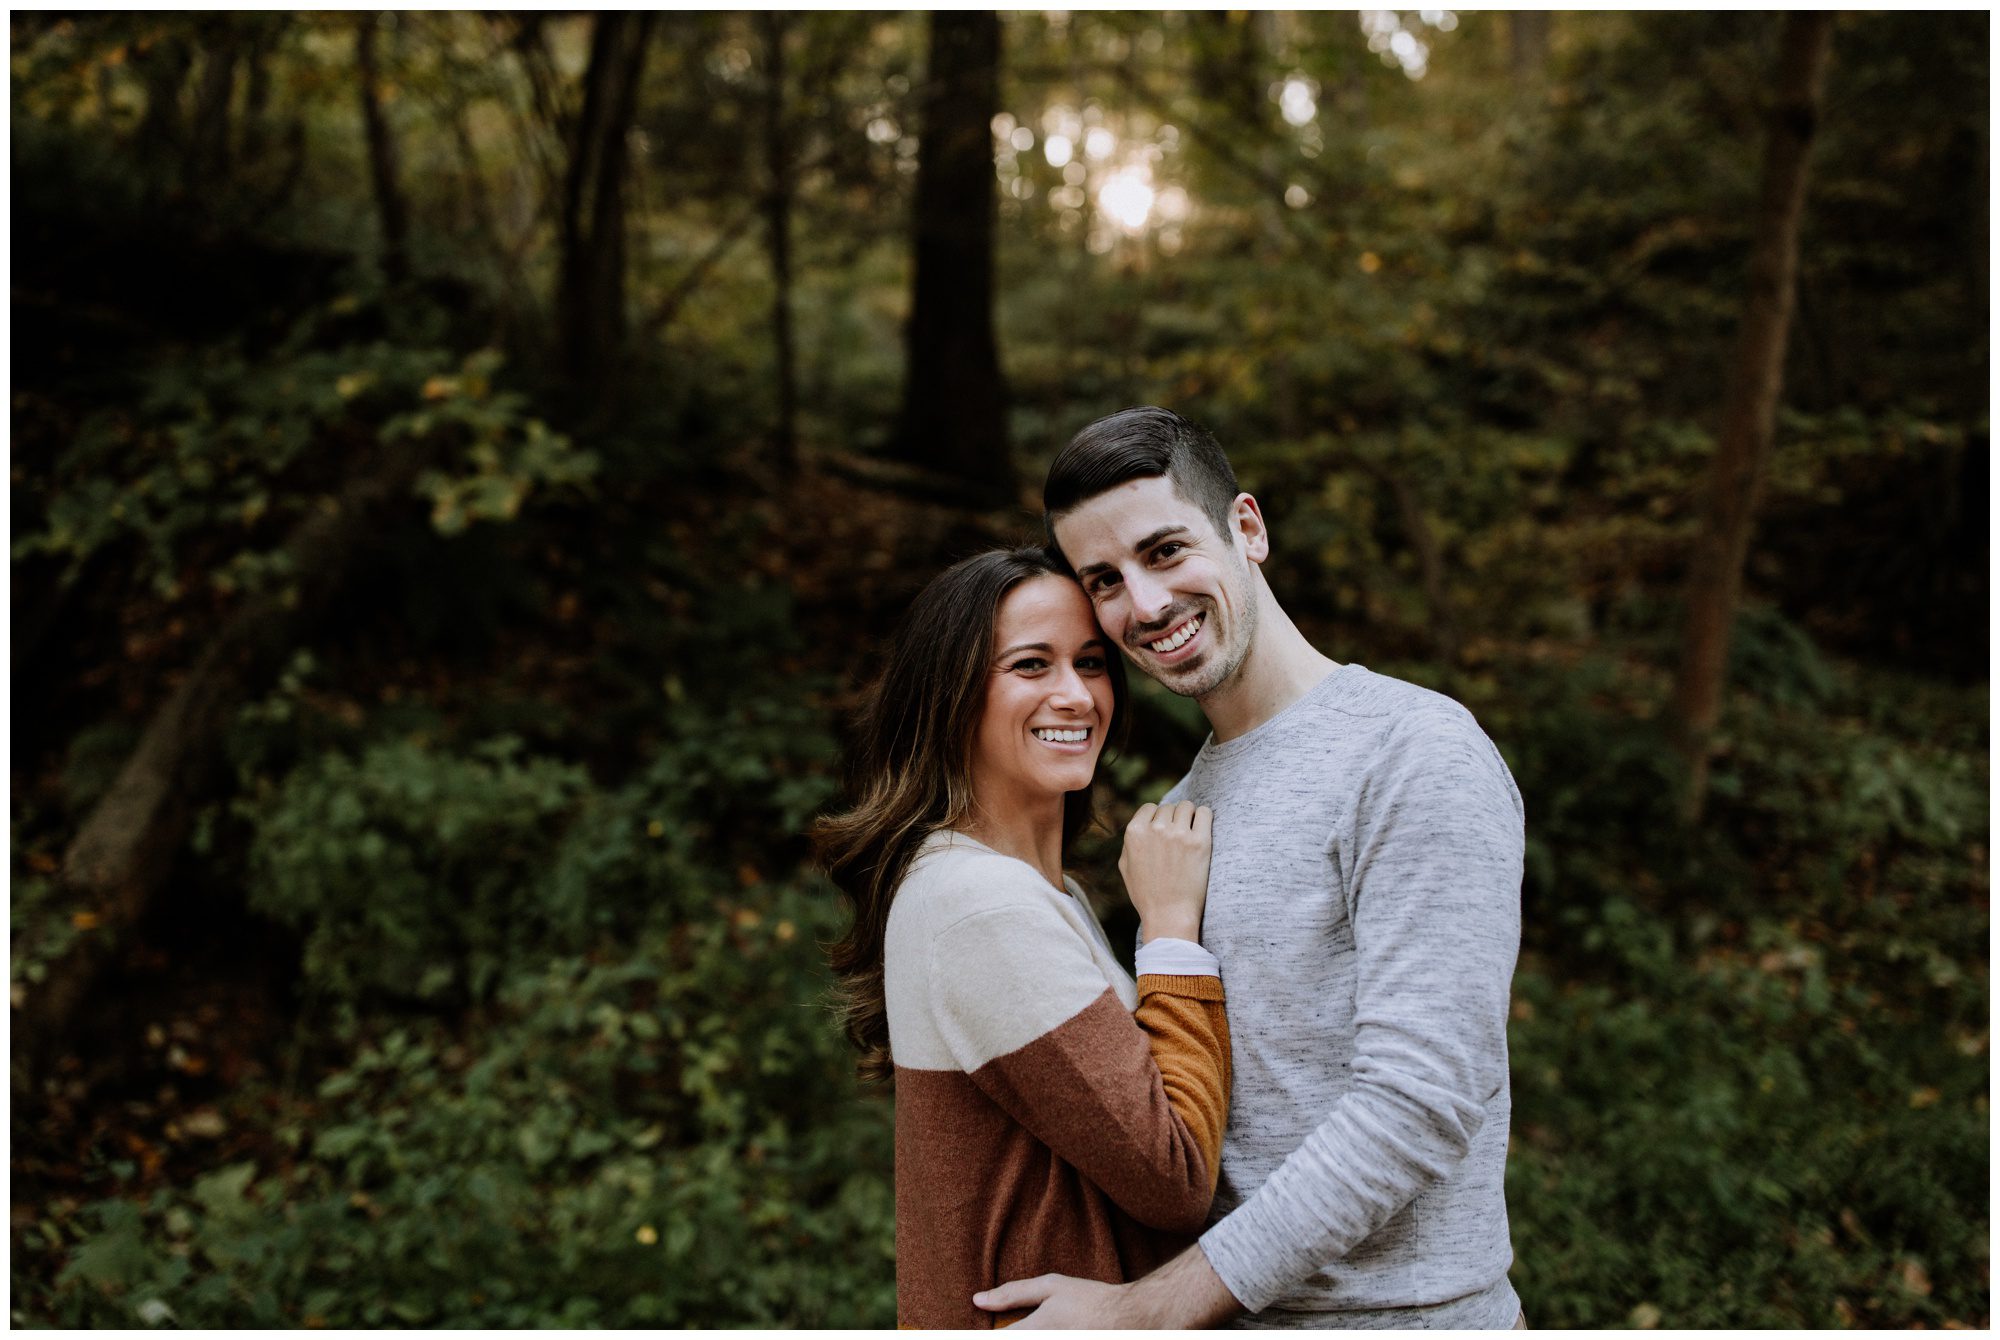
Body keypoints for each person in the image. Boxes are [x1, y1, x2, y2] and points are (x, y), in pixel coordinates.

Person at [975, 408, 1526, 1329]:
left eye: (1165, 551)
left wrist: (1146, 1312)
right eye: (1104, 580)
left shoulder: (1414, 751)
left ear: (1247, 528)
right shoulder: (1180, 813)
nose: (1146, 605)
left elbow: (1420, 1103)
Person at [813, 544, 1235, 1329]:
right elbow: (1174, 1177)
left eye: (1091, 663)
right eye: (1031, 665)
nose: (1075, 695)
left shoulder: (1034, 892)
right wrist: (1172, 932)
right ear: (950, 694)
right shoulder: (980, 904)